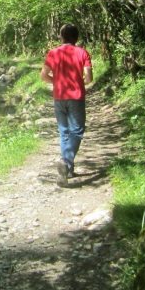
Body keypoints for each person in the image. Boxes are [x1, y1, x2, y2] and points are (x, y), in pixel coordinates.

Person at [40, 24, 93, 187]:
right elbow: (89, 78)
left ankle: (67, 170)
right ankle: (66, 161)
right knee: (77, 130)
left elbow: (43, 75)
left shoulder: (53, 53)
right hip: (76, 97)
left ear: (61, 37)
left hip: (59, 97)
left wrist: (56, 82)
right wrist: (79, 83)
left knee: (64, 132)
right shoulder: (82, 52)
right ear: (76, 37)